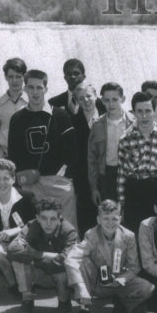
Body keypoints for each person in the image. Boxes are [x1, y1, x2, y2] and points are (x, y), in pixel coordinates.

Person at [65, 200, 155, 313]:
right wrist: (81, 288)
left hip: (119, 281)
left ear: (120, 218)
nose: (110, 223)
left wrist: (122, 279)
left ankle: (122, 302)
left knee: (148, 288)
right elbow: (71, 258)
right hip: (96, 282)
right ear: (98, 219)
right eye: (106, 218)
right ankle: (84, 309)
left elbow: (134, 266)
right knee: (82, 261)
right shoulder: (91, 235)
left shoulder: (128, 236)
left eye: (114, 218)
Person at [7, 68, 78, 229]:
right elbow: (13, 154)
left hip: (57, 181)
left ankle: (69, 253)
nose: (35, 92)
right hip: (31, 184)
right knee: (36, 228)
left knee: (67, 227)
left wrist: (65, 176)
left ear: (46, 89)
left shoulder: (60, 115)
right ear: (24, 89)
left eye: (39, 87)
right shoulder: (17, 119)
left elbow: (72, 152)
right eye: (31, 87)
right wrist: (20, 181)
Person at [0, 197, 77, 313]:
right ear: (37, 218)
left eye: (53, 218)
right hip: (39, 273)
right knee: (18, 261)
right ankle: (27, 300)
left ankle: (64, 300)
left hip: (59, 275)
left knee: (65, 269)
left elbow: (67, 259)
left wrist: (32, 256)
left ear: (59, 219)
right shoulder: (32, 226)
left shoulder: (69, 231)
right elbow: (13, 249)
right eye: (44, 218)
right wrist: (43, 255)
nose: (48, 223)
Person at [117, 91, 157, 234]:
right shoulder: (125, 139)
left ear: (153, 111)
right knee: (135, 233)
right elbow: (121, 175)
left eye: (148, 111)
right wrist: (121, 203)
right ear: (134, 112)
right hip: (134, 191)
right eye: (139, 111)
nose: (144, 116)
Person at [0, 158, 37, 297]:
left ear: (13, 179)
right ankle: (14, 284)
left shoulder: (27, 198)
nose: (2, 182)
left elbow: (36, 224)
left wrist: (15, 230)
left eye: (6, 178)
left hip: (24, 243)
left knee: (19, 252)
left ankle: (25, 281)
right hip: (3, 248)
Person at [87, 82, 133, 205]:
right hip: (107, 175)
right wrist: (94, 188)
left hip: (130, 175)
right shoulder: (97, 125)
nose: (111, 104)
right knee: (109, 211)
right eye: (107, 100)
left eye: (115, 99)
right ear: (101, 100)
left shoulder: (134, 123)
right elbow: (92, 159)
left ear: (122, 99)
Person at [71, 81, 100, 232]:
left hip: (104, 177)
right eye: (81, 98)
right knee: (86, 221)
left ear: (96, 95)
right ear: (77, 101)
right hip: (83, 180)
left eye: (89, 96)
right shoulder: (73, 122)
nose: (86, 101)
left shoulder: (107, 117)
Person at [0, 57, 27, 159]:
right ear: (5, 77)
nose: (14, 81)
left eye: (18, 76)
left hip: (30, 159)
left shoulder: (32, 102)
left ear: (24, 77)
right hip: (6, 158)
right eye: (11, 76)